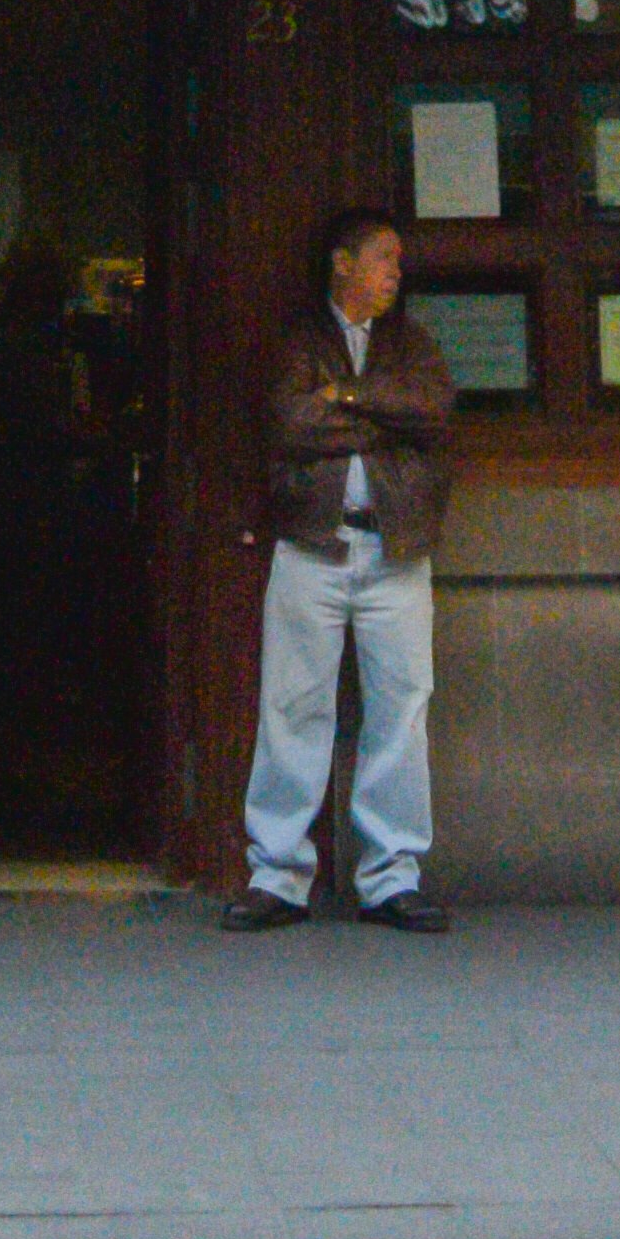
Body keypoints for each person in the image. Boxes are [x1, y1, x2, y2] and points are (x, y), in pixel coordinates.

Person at [226, 203, 457, 934]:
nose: (396, 272)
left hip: (395, 549)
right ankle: (277, 874)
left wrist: (348, 396)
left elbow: (432, 411)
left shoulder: (410, 342)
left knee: (400, 711)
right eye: (384, 257)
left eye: (397, 261)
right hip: (311, 544)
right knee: (293, 708)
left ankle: (391, 877)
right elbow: (289, 423)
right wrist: (383, 424)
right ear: (343, 263)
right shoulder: (300, 341)